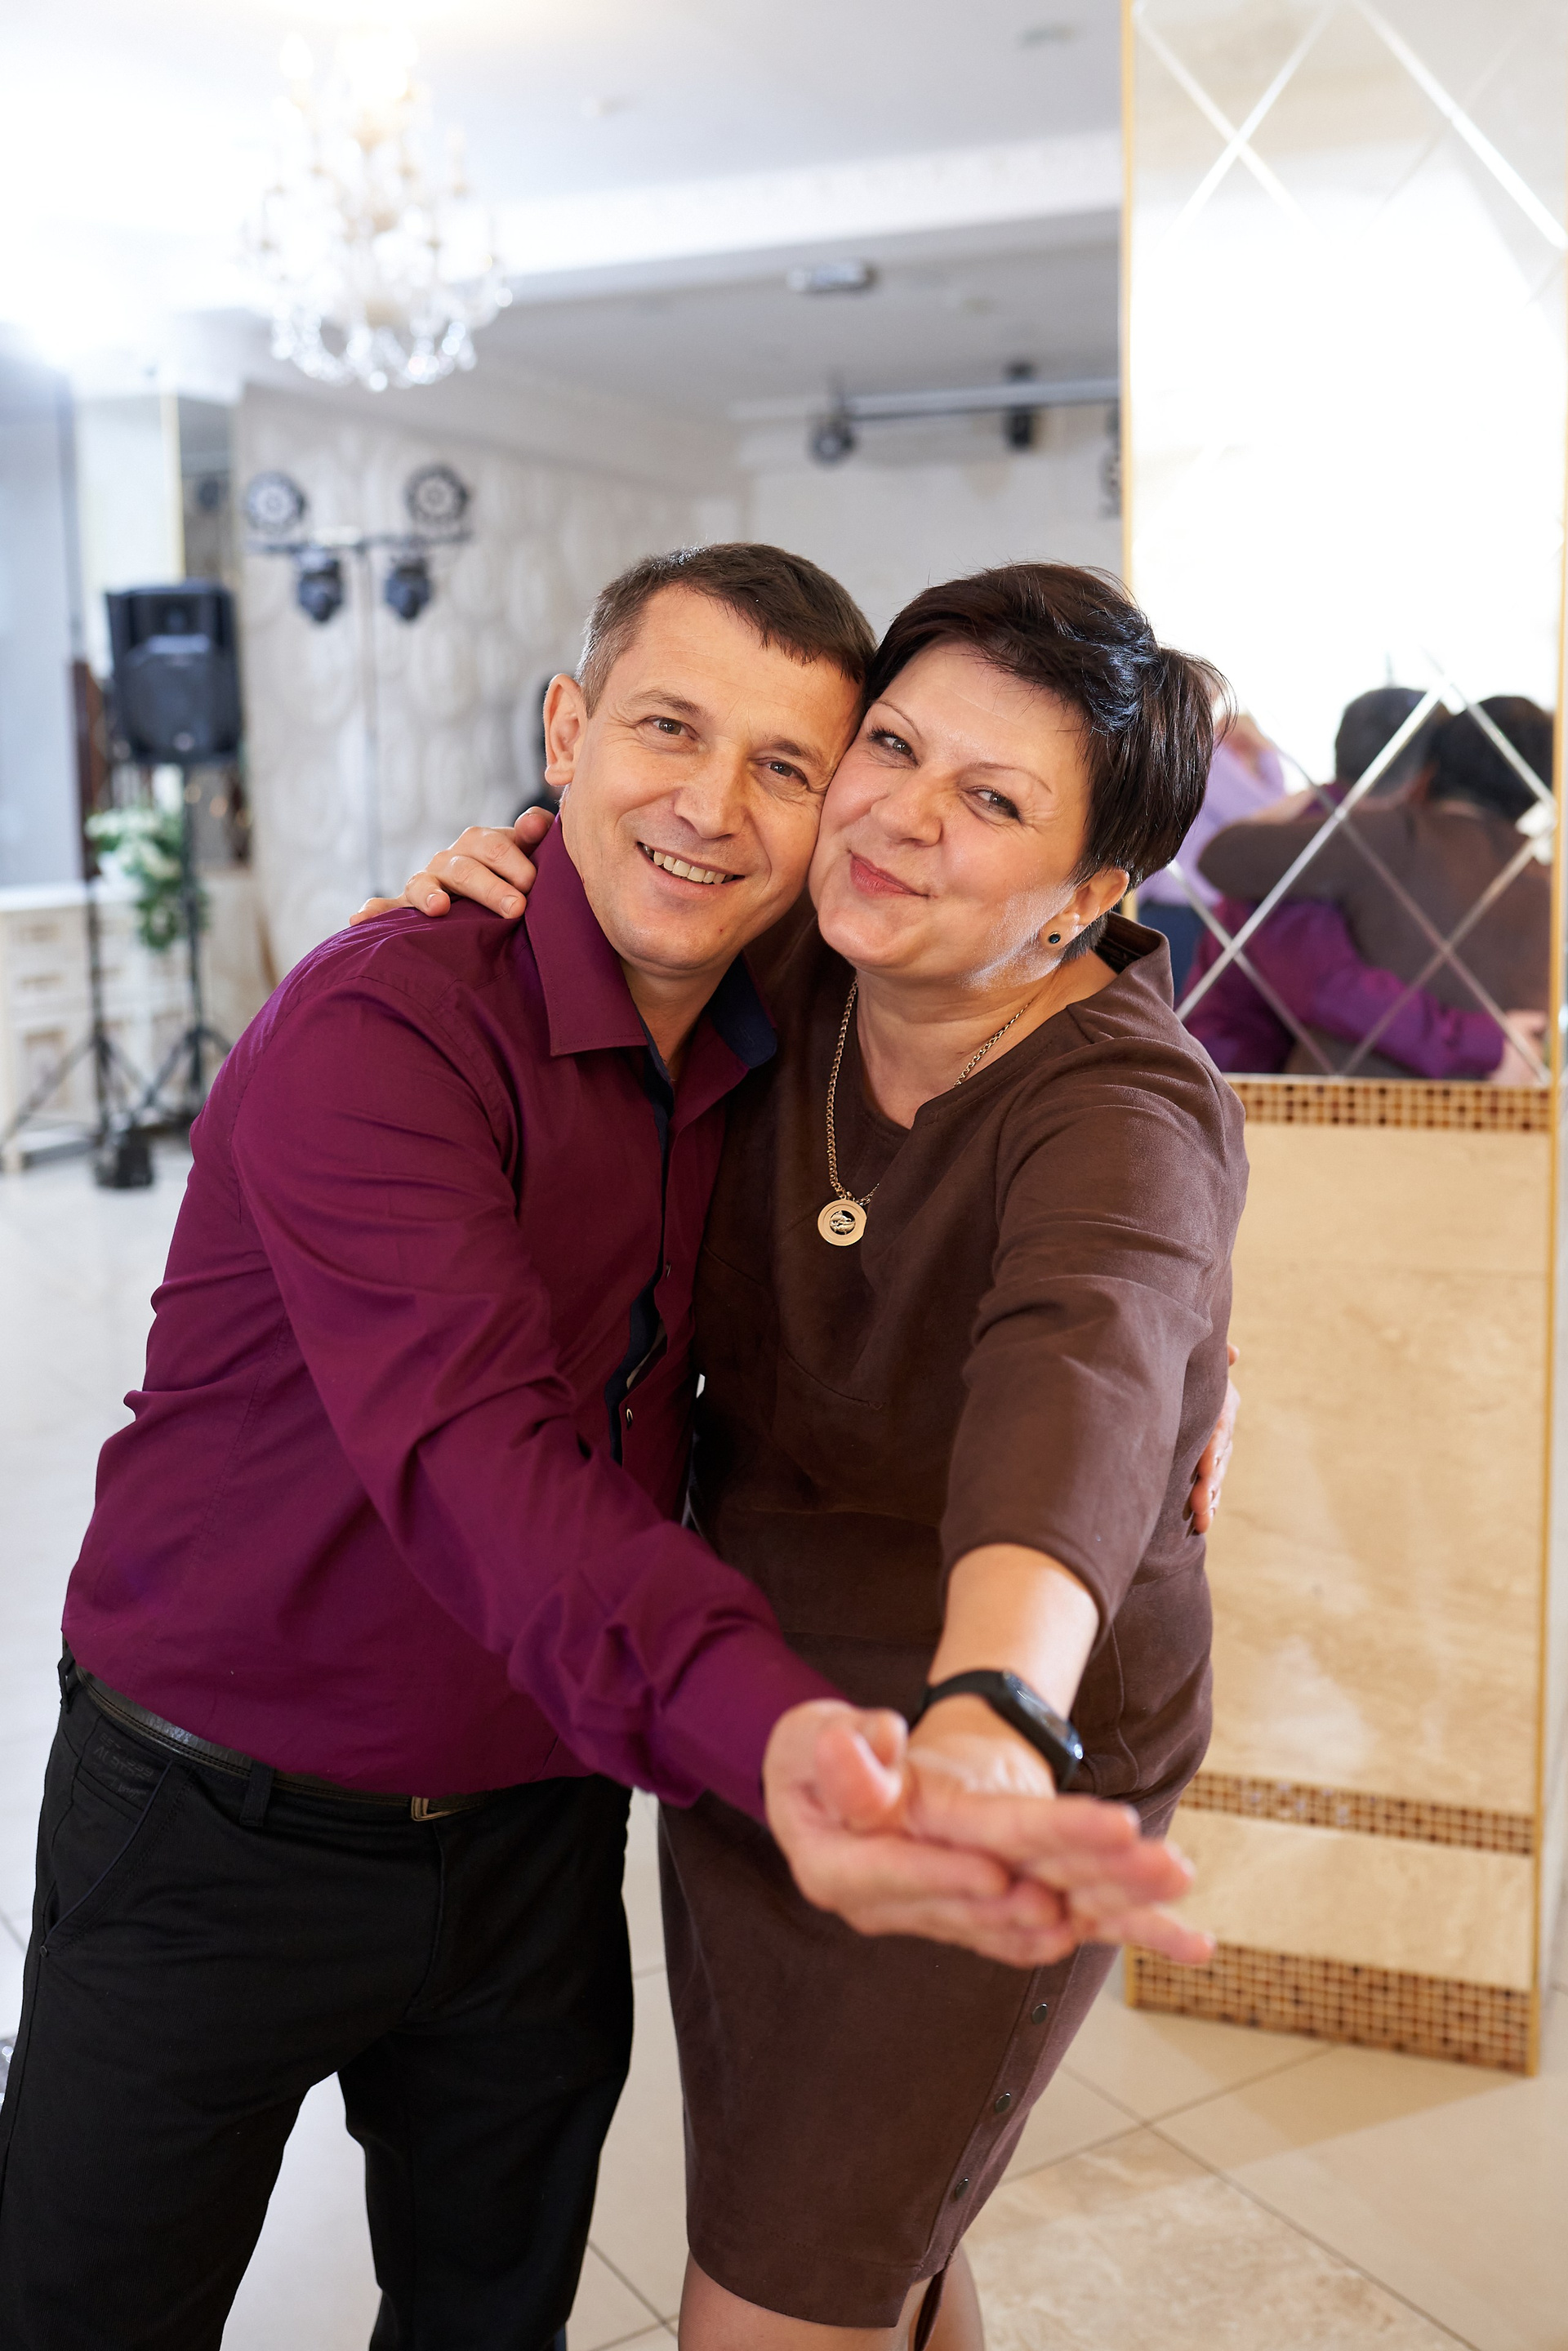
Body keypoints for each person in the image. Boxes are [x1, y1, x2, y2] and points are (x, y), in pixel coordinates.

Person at [0, 545, 1209, 2351]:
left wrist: (1021, 1660)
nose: (721, 808)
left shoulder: (824, 993)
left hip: (593, 1805)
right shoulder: (414, 1018)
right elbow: (482, 1456)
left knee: (560, 2296)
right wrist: (774, 1732)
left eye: (789, 763)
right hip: (225, 1816)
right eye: (667, 729)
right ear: (563, 731)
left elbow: (1086, 1308)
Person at [361, 560, 1247, 2349]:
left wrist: (996, 1715)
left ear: (1091, 894)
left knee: (786, 2275)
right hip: (764, 1704)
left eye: (990, 799)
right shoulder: (789, 964)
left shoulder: (1122, 1111)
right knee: (858, 2227)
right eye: (891, 747)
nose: (899, 819)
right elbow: (620, 870)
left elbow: (1081, 1373)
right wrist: (485, 880)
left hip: (979, 1746)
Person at [1196, 695, 1553, 1079]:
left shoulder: (1390, 838)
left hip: (1297, 1090)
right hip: (1241, 1085)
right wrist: (1488, 1045)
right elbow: (1332, 989)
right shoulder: (1540, 877)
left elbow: (1221, 857)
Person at [1137, 706, 1286, 990]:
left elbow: (1274, 819)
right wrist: (1266, 752)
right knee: (1176, 1008)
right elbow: (1274, 818)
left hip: (1188, 909)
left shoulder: (1213, 753)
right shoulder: (1207, 752)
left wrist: (1262, 757)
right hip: (1183, 910)